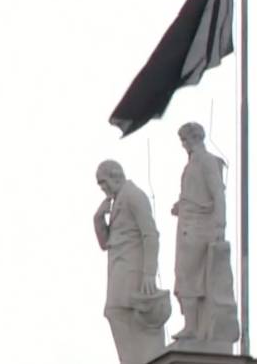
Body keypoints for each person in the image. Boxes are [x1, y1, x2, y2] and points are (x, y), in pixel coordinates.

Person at [170, 122, 239, 350]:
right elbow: (195, 193)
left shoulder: (207, 161)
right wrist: (181, 205)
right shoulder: (191, 164)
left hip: (201, 227)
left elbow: (217, 193)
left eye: (185, 140)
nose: (183, 145)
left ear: (195, 138)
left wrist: (220, 225)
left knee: (190, 273)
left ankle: (193, 326)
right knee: (182, 272)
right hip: (188, 224)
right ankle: (192, 324)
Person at [92, 160, 166, 364]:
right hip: (118, 271)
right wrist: (98, 218)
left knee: (128, 315)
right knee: (115, 313)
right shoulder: (117, 201)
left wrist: (149, 273)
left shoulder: (134, 195)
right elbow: (105, 243)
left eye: (104, 183)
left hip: (133, 271)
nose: (104, 189)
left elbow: (150, 234)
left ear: (116, 176)